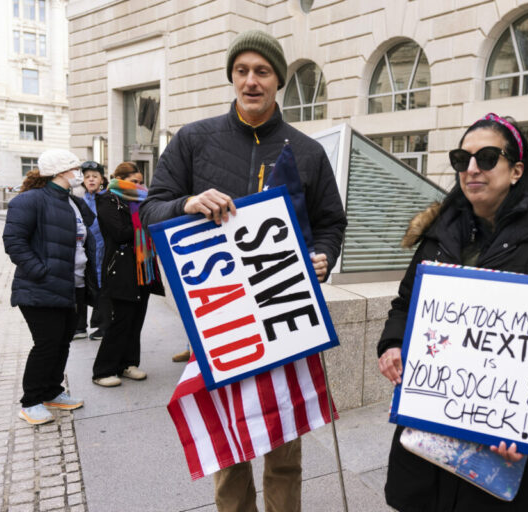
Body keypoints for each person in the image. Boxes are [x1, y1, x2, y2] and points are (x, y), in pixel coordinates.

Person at [140, 29, 347, 512]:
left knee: (284, 446)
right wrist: (187, 203)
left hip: (283, 317)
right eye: (241, 71)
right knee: (229, 449)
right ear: (232, 77)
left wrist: (322, 255)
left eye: (262, 71)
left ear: (279, 81)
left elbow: (331, 222)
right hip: (222, 321)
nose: (251, 81)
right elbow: (150, 210)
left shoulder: (308, 152)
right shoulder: (193, 140)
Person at [376, 113, 528, 511]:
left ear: (516, 170)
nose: (472, 169)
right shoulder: (440, 231)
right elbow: (406, 302)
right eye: (463, 160)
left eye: (487, 157)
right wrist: (393, 343)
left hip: (507, 446)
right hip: (432, 435)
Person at [3, 149, 97, 425]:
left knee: (62, 342)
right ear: (60, 172)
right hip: (40, 288)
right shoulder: (30, 201)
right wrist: (41, 272)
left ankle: (52, 391)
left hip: (72, 285)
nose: (79, 172)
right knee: (46, 344)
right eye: (75, 167)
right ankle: (30, 401)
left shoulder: (72, 202)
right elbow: (14, 243)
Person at [92, 162, 164, 387]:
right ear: (120, 179)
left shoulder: (142, 200)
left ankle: (128, 363)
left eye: (141, 181)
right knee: (120, 321)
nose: (140, 185)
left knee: (136, 320)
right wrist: (147, 220)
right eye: (135, 181)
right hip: (121, 268)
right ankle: (103, 370)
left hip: (143, 267)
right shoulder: (107, 199)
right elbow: (121, 233)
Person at [75, 161, 109, 341]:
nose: (91, 180)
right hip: (87, 250)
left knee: (102, 285)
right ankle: (83, 326)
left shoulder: (108, 197)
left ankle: (104, 325)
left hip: (105, 250)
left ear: (102, 179)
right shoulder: (81, 200)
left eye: (94, 176)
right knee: (88, 284)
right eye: (87, 177)